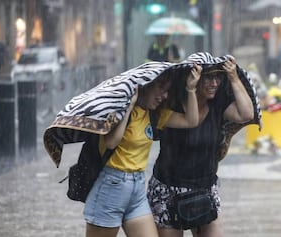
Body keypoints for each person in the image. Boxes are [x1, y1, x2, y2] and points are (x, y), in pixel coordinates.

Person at [83, 64, 202, 237]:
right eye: (161, 88)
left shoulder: (155, 115)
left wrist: (191, 89)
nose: (164, 96)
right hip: (111, 187)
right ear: (144, 85)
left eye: (167, 90)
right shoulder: (118, 109)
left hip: (137, 189)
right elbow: (110, 142)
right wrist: (128, 107)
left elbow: (191, 121)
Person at [147, 55, 255, 236]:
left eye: (217, 78)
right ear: (194, 78)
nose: (214, 83)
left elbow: (246, 114)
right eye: (208, 78)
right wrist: (190, 89)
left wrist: (234, 77)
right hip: (169, 189)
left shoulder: (218, 105)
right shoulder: (171, 105)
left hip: (205, 187)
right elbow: (191, 121)